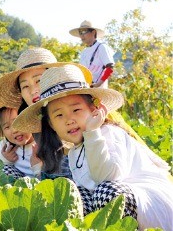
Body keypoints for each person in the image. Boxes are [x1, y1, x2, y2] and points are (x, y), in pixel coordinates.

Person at [12, 64, 173, 230]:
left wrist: (92, 132)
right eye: (59, 115)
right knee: (75, 196)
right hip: (124, 213)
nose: (69, 119)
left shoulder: (109, 133)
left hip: (153, 208)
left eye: (76, 110)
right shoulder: (75, 151)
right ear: (52, 125)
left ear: (94, 110)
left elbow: (107, 176)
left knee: (108, 192)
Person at [0, 47, 92, 180]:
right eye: (25, 86)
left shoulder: (83, 113)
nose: (33, 91)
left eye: (38, 81)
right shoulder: (36, 125)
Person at [0, 100, 42, 179]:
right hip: (20, 187)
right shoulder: (6, 147)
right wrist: (6, 160)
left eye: (17, 122)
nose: (14, 130)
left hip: (45, 183)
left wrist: (37, 168)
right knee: (3, 169)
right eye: (7, 127)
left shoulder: (44, 142)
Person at [69, 20, 114, 88]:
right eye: (80, 32)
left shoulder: (101, 47)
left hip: (99, 91)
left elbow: (110, 67)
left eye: (84, 31)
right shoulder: (84, 52)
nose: (81, 35)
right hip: (85, 89)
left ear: (93, 32)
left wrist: (98, 84)